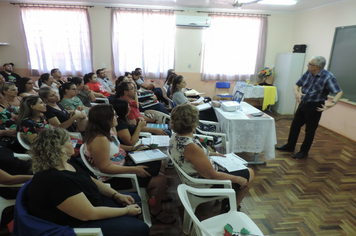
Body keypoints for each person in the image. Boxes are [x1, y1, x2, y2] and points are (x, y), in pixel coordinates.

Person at [26, 127, 149, 236]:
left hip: (91, 204)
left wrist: (116, 195)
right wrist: (126, 211)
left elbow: (91, 180)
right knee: (140, 228)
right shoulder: (56, 180)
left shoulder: (67, 162)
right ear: (60, 148)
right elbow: (89, 214)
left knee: (135, 199)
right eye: (69, 141)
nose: (73, 143)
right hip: (78, 222)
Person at [84, 104, 175, 224]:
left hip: (124, 165)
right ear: (106, 119)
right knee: (161, 180)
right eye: (114, 115)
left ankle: (157, 196)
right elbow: (104, 168)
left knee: (159, 164)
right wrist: (134, 170)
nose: (117, 117)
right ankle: (155, 210)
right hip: (113, 178)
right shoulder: (99, 139)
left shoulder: (107, 132)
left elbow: (117, 146)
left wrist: (134, 148)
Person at [169, 104, 255, 211]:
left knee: (237, 167)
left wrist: (212, 154)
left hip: (196, 177)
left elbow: (191, 156)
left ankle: (229, 201)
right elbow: (212, 176)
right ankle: (231, 208)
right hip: (203, 186)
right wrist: (237, 179)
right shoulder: (191, 147)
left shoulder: (175, 137)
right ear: (193, 122)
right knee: (250, 173)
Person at [275, 56, 343, 159]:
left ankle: (304, 152)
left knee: (310, 131)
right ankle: (290, 146)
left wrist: (333, 103)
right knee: (295, 126)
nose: (308, 65)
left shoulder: (328, 77)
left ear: (317, 67)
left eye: (310, 64)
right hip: (303, 103)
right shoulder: (308, 72)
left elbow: (339, 91)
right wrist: (297, 93)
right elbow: (297, 85)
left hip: (315, 106)